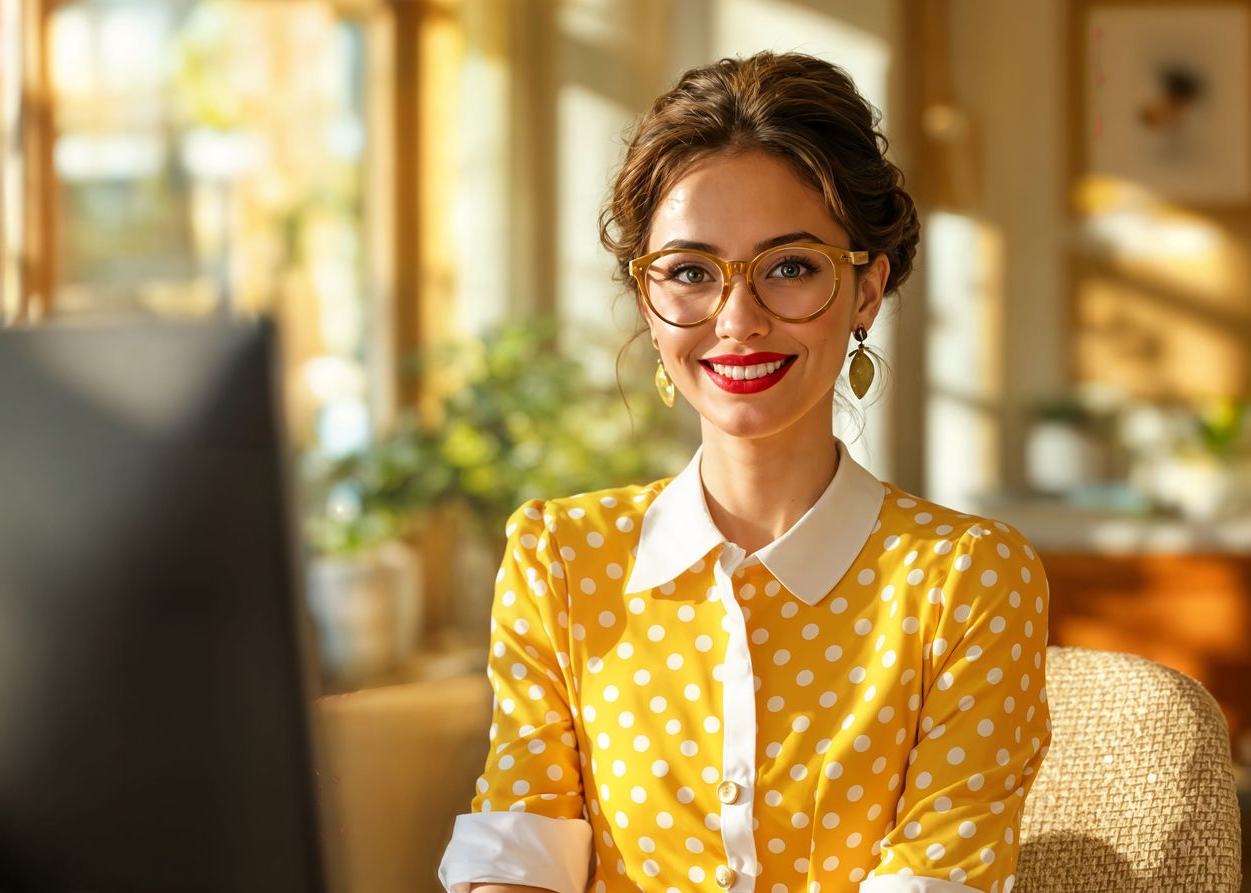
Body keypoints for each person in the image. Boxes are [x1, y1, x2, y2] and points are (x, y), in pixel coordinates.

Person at [437, 51, 1050, 893]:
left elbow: (939, 877)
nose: (737, 319)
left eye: (791, 267)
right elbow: (520, 858)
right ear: (647, 300)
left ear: (867, 289)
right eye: (690, 272)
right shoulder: (559, 560)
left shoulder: (968, 580)